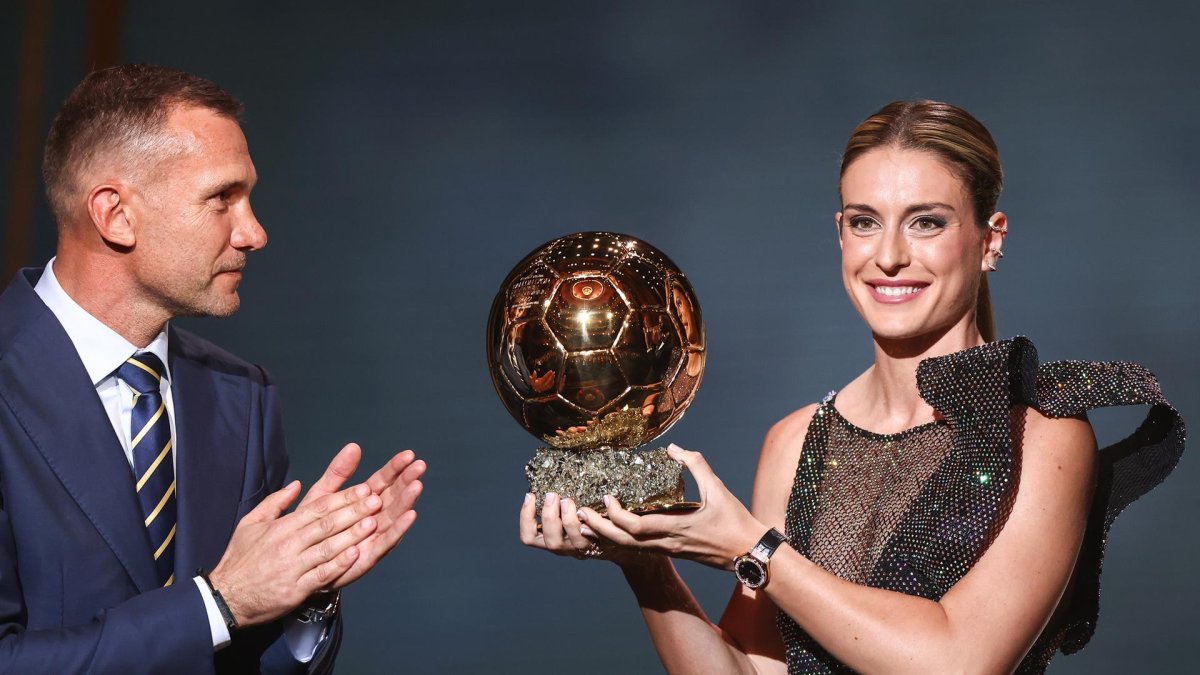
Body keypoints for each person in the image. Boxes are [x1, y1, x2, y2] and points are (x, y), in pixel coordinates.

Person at [520, 100, 1184, 673]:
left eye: (927, 221)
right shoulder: (795, 439)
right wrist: (645, 561)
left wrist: (752, 549)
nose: (889, 254)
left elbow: (961, 661)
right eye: (865, 221)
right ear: (840, 234)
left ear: (989, 240)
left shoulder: (1042, 430)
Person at [0, 64, 427, 674]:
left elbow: (250, 656)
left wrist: (306, 589)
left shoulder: (240, 396)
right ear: (116, 215)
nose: (254, 232)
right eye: (221, 198)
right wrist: (218, 604)